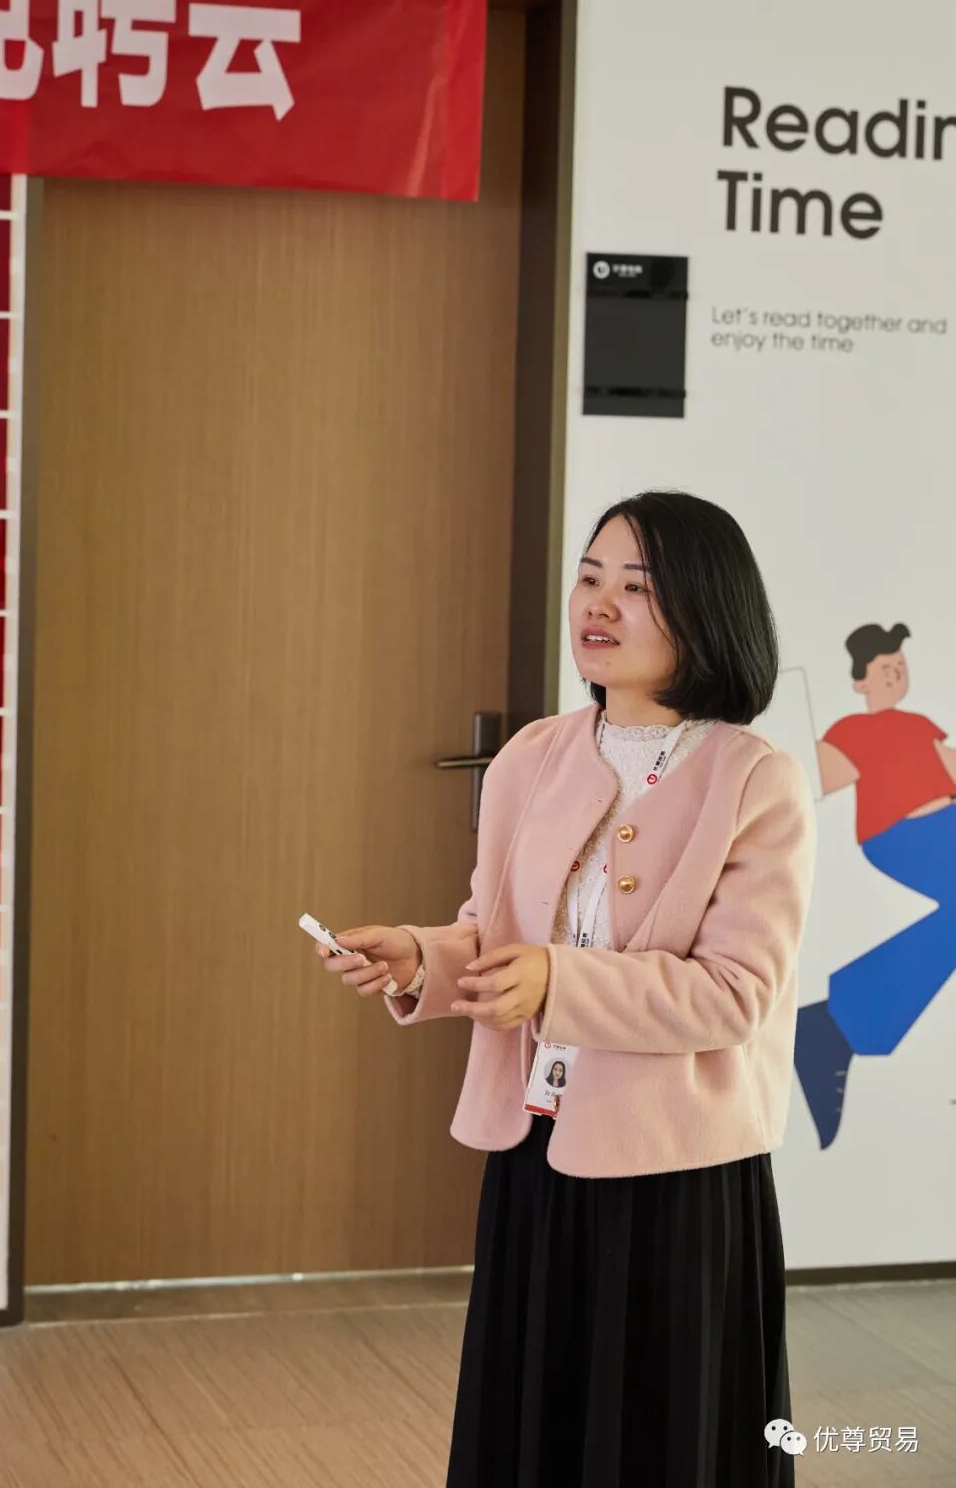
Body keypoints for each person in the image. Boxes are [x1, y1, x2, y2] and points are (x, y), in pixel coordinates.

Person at [314, 490, 816, 1488]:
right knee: (535, 1427)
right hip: (536, 1148)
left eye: (638, 586)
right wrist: (419, 959)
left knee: (660, 1440)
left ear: (707, 608)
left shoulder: (755, 780)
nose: (599, 603)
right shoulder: (532, 756)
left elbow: (734, 994)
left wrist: (557, 980)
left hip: (677, 1169)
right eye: (591, 578)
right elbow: (493, 932)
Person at [795, 622, 955, 1149]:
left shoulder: (919, 725)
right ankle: (838, 1022)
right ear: (860, 681)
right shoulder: (853, 732)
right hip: (902, 835)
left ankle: (834, 1024)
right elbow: (805, 773)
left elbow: (948, 764)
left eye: (900, 668)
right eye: (885, 668)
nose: (895, 675)